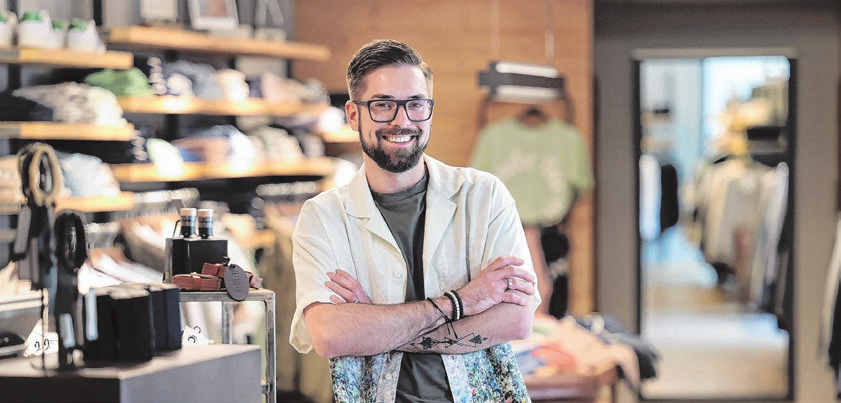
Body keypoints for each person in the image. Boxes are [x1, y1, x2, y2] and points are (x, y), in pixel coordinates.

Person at [290, 39, 540, 402]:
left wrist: (376, 324)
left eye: (416, 104)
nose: (402, 120)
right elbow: (331, 336)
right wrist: (459, 303)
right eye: (383, 105)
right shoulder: (323, 217)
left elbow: (516, 320)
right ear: (353, 114)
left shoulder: (484, 196)